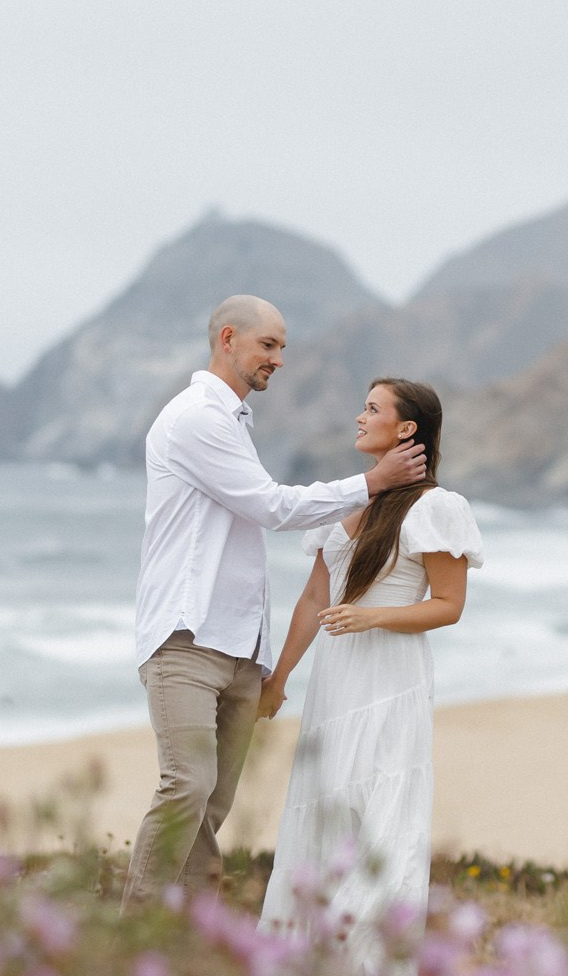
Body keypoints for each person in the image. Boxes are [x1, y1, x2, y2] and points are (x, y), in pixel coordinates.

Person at [124, 295, 428, 907]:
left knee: (211, 808)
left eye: (283, 347)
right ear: (229, 339)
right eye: (270, 345)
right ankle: (131, 938)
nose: (279, 359)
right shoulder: (196, 419)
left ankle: (187, 949)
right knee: (186, 786)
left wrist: (269, 664)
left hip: (239, 647)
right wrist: (372, 482)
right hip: (186, 637)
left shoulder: (235, 421)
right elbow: (270, 507)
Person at [258, 377, 482, 972]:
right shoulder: (342, 502)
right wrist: (278, 680)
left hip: (391, 682)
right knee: (324, 815)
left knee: (382, 819)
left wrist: (371, 615)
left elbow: (448, 604)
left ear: (406, 428)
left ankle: (370, 968)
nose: (359, 417)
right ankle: (305, 970)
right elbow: (312, 599)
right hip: (335, 685)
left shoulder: (437, 508)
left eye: (373, 408)